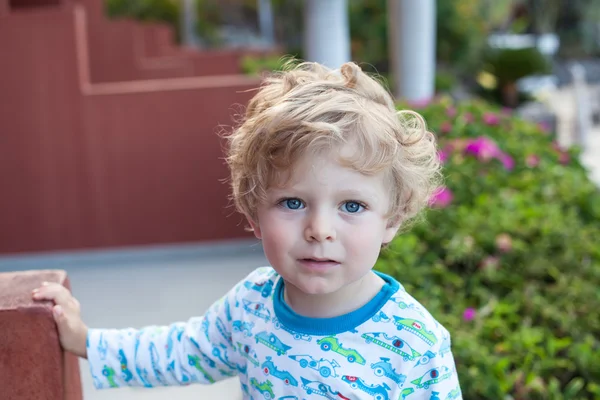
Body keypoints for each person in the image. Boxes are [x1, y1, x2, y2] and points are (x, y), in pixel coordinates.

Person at [33, 60, 462, 399]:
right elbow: (181, 351)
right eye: (293, 203)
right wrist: (86, 340)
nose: (319, 229)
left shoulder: (414, 344)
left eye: (352, 205)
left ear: (392, 219)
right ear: (254, 213)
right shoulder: (251, 306)